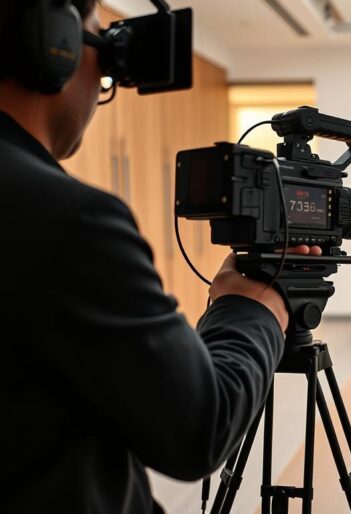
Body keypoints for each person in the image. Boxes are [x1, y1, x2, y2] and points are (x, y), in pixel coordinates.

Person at [0, 2, 318, 511]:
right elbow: (198, 429)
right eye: (99, 49)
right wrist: (251, 308)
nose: (105, 77)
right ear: (52, 44)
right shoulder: (70, 220)